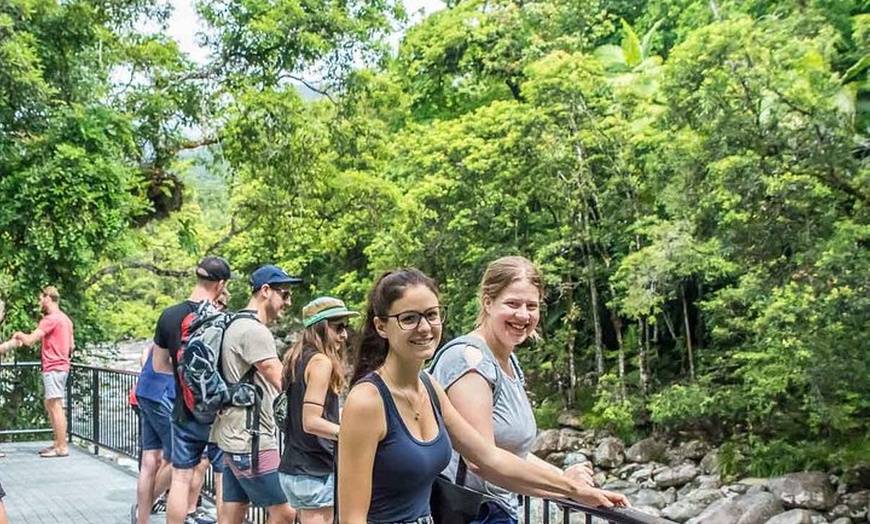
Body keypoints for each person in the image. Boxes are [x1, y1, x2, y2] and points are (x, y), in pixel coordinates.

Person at [338, 269, 628, 524]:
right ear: (381, 326)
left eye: (431, 314)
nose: (425, 328)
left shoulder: (429, 387)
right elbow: (352, 518)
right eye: (409, 318)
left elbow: (489, 457)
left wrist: (575, 490)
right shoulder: (368, 401)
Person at [430, 256, 593, 524]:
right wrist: (568, 488)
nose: (523, 315)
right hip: (471, 512)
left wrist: (563, 477)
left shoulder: (508, 361)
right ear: (487, 302)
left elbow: (512, 452)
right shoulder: (468, 361)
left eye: (532, 306)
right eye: (513, 304)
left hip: (498, 510)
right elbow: (480, 459)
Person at [212, 264, 301, 524]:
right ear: (265, 291)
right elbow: (281, 380)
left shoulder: (236, 322)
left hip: (232, 434)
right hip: (252, 440)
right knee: (285, 511)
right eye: (284, 294)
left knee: (233, 511)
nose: (288, 301)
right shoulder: (254, 330)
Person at [154, 256, 234, 524]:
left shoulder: (168, 316)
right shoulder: (223, 319)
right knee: (224, 478)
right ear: (220, 284)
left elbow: (159, 365)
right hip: (219, 413)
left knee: (180, 478)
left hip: (184, 410)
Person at [278, 296, 359, 524]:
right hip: (314, 471)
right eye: (338, 327)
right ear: (321, 327)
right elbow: (311, 421)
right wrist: (351, 436)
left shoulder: (295, 358)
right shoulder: (321, 362)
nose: (344, 335)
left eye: (346, 327)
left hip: (294, 467)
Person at [0, 286, 74, 458]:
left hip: (53, 366)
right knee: (51, 404)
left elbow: (30, 340)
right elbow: (71, 346)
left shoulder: (50, 319)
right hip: (62, 366)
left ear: (47, 298)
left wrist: (18, 335)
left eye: (40, 299)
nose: (39, 303)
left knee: (55, 405)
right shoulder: (66, 319)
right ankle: (57, 443)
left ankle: (61, 447)